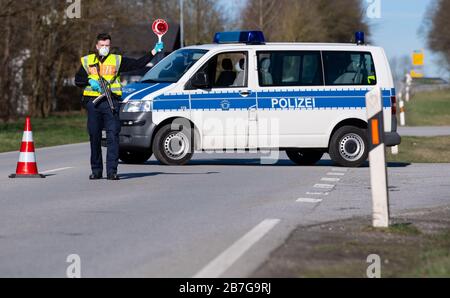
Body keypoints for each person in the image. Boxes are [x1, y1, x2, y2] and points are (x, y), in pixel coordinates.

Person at [75, 33, 164, 180]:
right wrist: (89, 81)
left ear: (110, 46)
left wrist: (154, 52)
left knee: (113, 136)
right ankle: (96, 170)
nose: (104, 48)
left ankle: (112, 171)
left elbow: (138, 64)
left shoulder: (116, 60)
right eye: (102, 45)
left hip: (111, 103)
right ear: (97, 46)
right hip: (93, 103)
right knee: (94, 137)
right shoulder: (87, 60)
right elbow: (77, 80)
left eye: (107, 46)